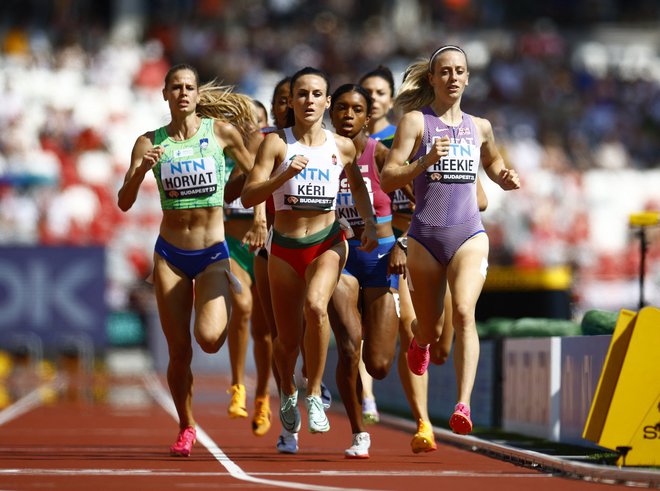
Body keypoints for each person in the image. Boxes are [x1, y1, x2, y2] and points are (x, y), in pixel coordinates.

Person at [117, 63, 257, 457]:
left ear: (197, 95)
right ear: (165, 95)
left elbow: (254, 175)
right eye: (175, 87)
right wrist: (141, 171)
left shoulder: (221, 134)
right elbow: (123, 202)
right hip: (170, 256)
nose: (182, 93)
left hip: (212, 253)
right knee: (179, 351)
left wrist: (259, 216)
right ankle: (186, 424)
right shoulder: (149, 142)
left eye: (189, 87)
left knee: (210, 340)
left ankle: (226, 303)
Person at [380, 45, 520, 436]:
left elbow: (492, 163)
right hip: (424, 235)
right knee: (431, 329)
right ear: (433, 79)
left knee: (463, 312)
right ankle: (420, 341)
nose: (453, 77)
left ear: (468, 78)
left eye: (460, 71)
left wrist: (504, 176)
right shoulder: (415, 123)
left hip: (468, 234)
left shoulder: (481, 126)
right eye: (445, 71)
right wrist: (424, 162)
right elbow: (389, 177)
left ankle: (463, 403)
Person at [241, 67, 378, 454]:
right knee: (285, 340)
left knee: (317, 308)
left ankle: (314, 393)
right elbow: (251, 195)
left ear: (327, 102)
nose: (309, 101)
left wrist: (367, 222)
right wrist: (281, 176)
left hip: (328, 242)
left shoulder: (343, 145)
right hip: (284, 247)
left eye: (317, 94)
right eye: (302, 94)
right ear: (292, 100)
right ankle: (287, 392)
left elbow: (358, 186)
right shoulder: (276, 145)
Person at [328, 83, 399, 458]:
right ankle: (358, 433)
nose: (348, 116)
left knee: (379, 364)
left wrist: (402, 245)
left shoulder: (381, 155)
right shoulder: (321, 155)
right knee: (348, 345)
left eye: (356, 109)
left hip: (382, 258)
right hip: (339, 257)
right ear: (331, 112)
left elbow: (423, 205)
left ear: (367, 117)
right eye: (341, 108)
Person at [223, 98, 272, 437]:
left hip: (265, 246)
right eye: (244, 121)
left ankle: (263, 396)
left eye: (257, 121)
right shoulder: (224, 154)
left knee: (265, 329)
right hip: (232, 244)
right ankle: (238, 383)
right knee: (241, 307)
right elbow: (222, 197)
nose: (250, 127)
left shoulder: (274, 152)